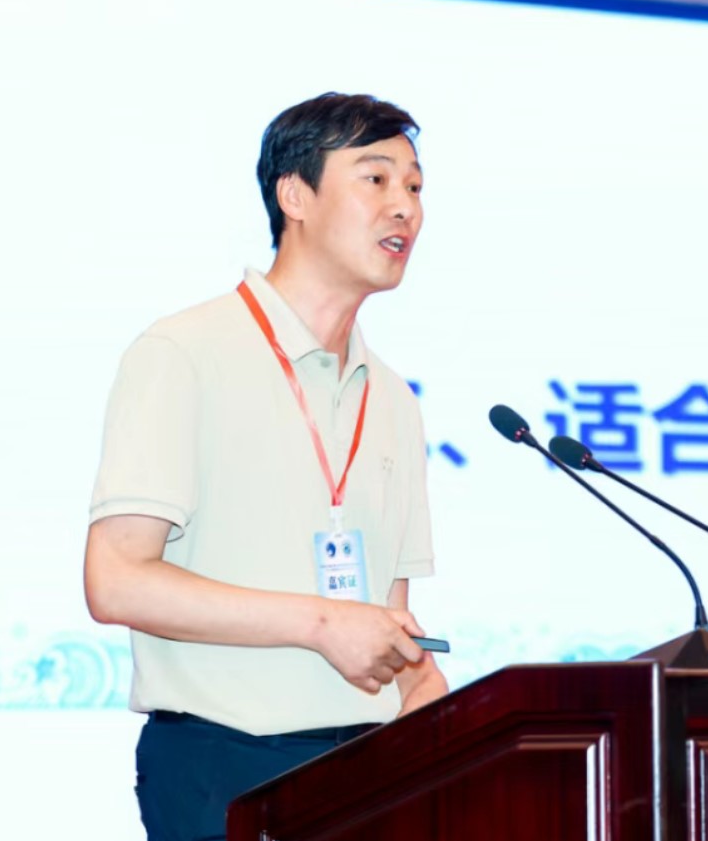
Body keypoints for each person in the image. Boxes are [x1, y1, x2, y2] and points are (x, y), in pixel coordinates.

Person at [83, 92, 448, 841]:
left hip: (366, 767)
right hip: (224, 766)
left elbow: (384, 619)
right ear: (294, 196)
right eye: (375, 179)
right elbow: (114, 579)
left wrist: (428, 692)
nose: (404, 207)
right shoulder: (185, 353)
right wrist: (320, 622)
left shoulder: (392, 398)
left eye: (414, 186)